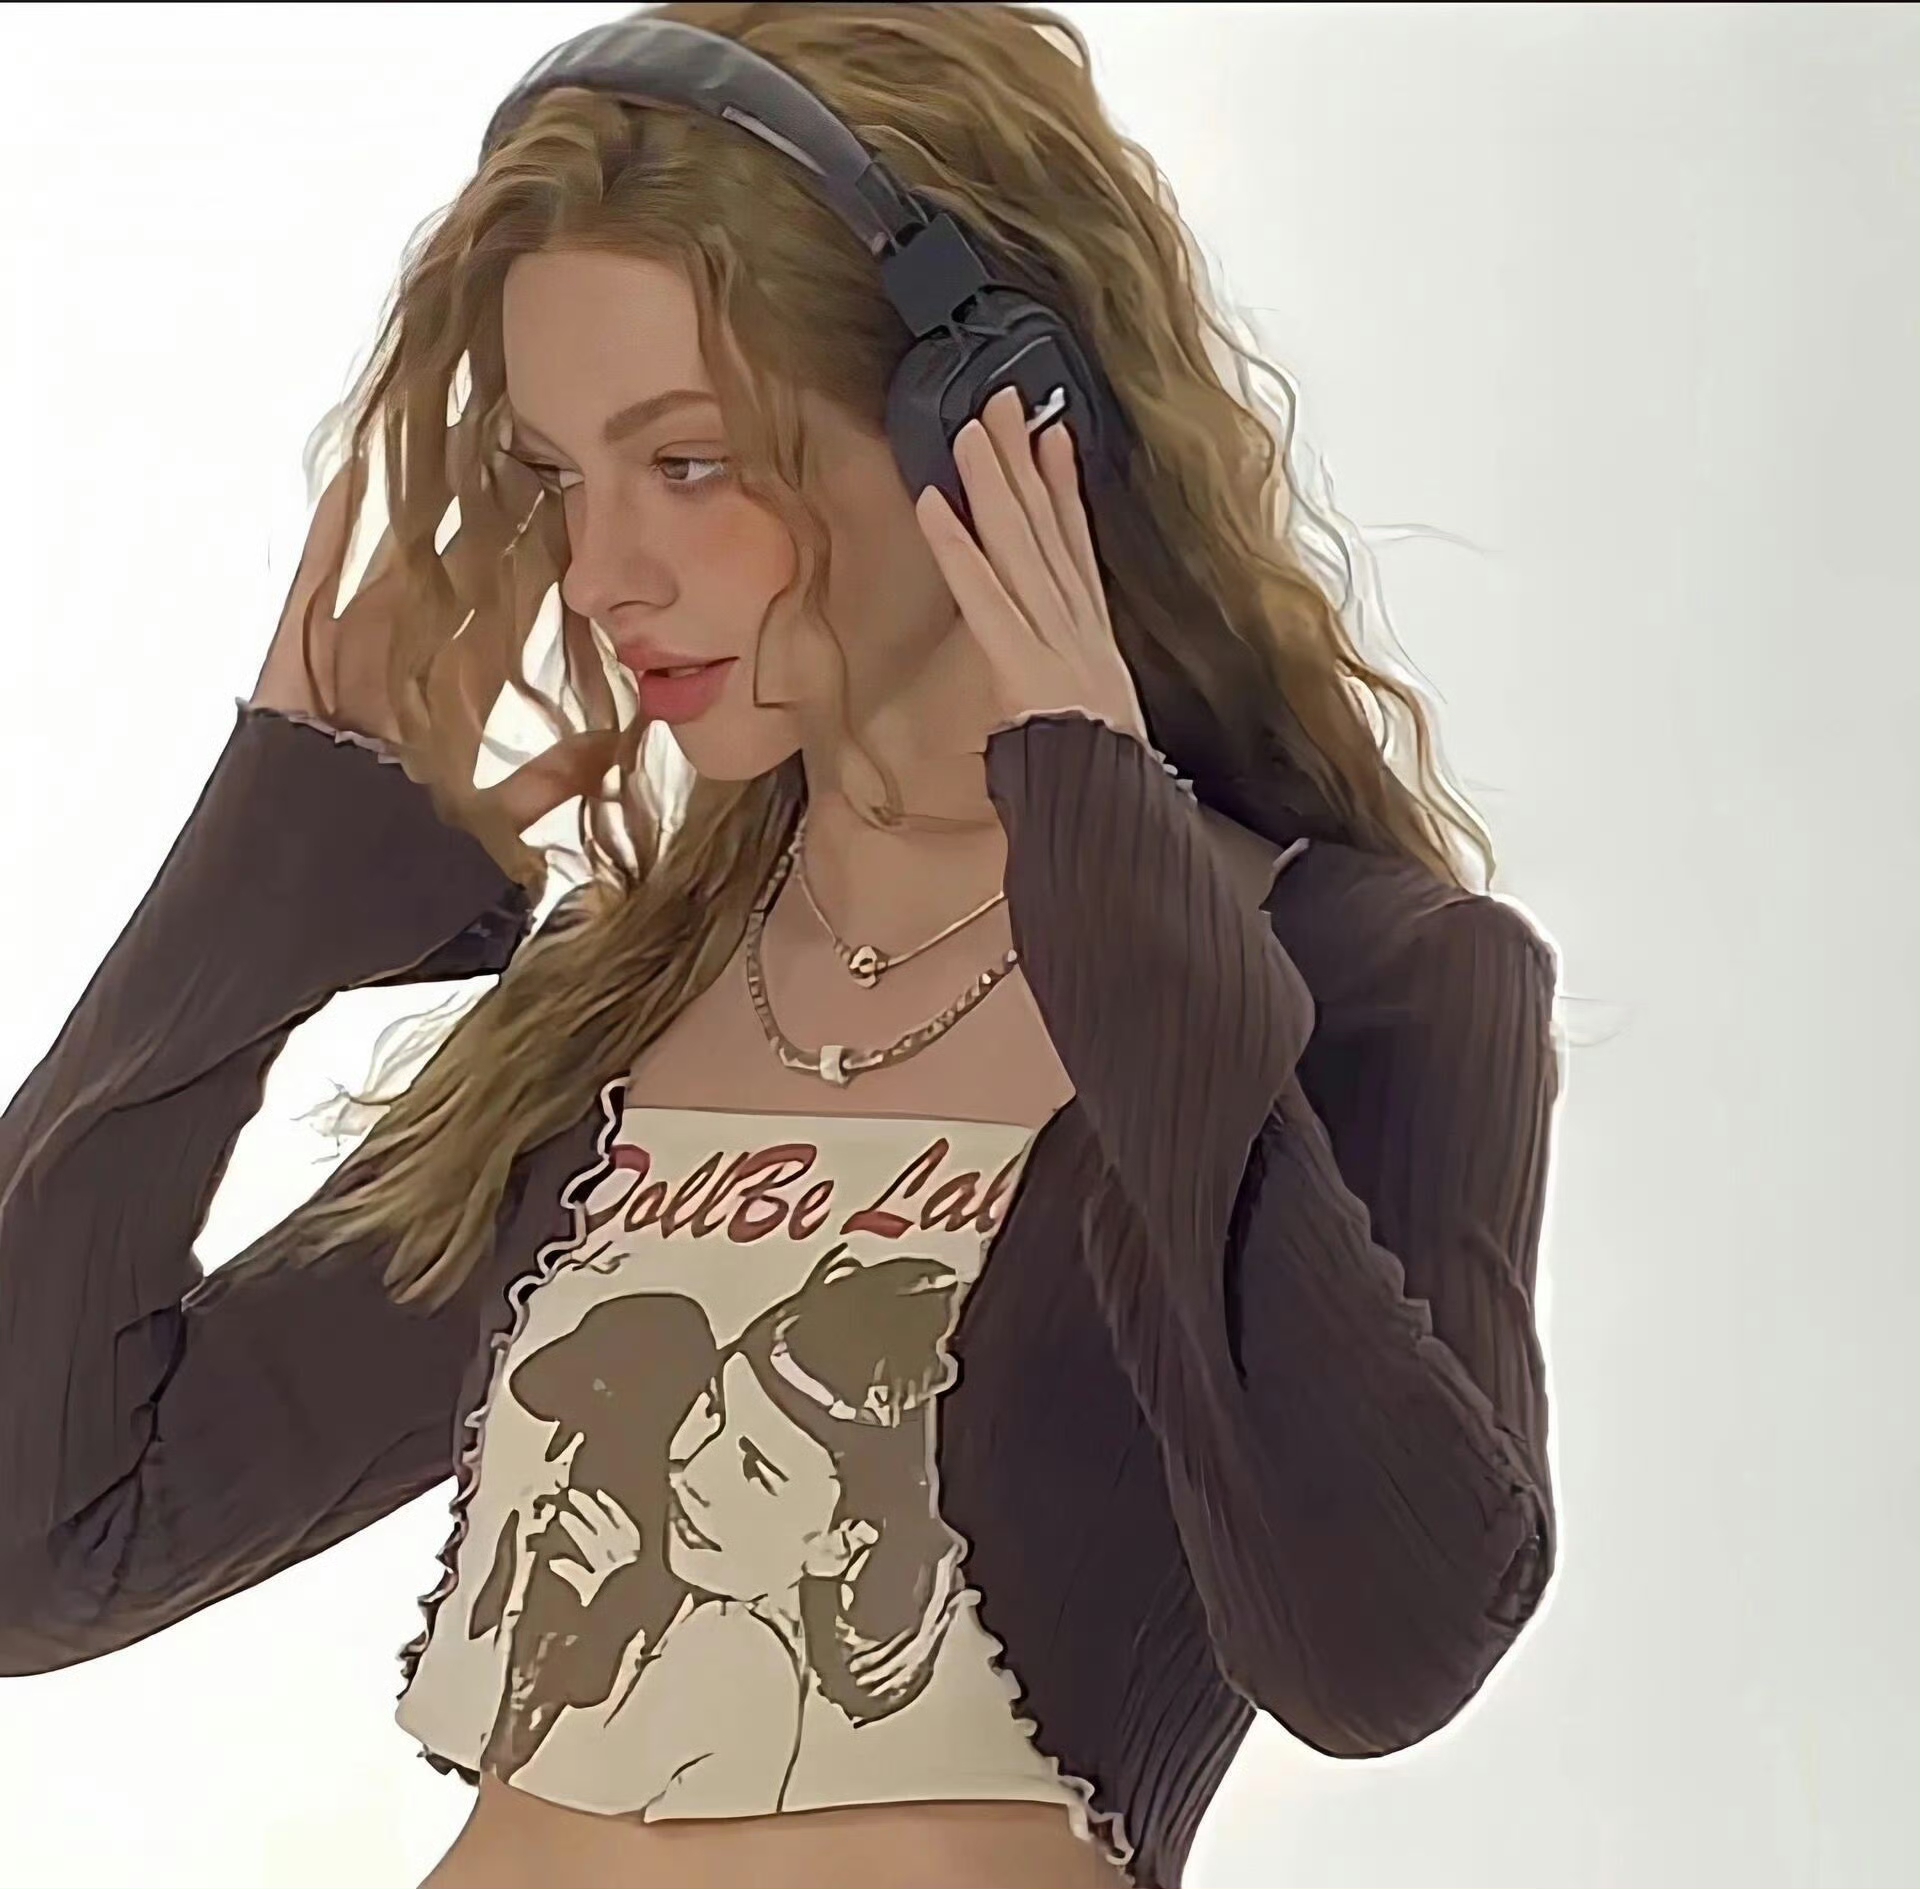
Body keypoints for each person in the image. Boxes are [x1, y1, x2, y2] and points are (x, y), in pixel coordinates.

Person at [0, 6, 1564, 1889]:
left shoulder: (1366, 980)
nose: (601, 578)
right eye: (561, 478)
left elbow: (1382, 1652)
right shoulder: (608, 1017)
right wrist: (268, 874)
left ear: (991, 421)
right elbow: (37, 1539)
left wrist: (1111, 873)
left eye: (687, 461)